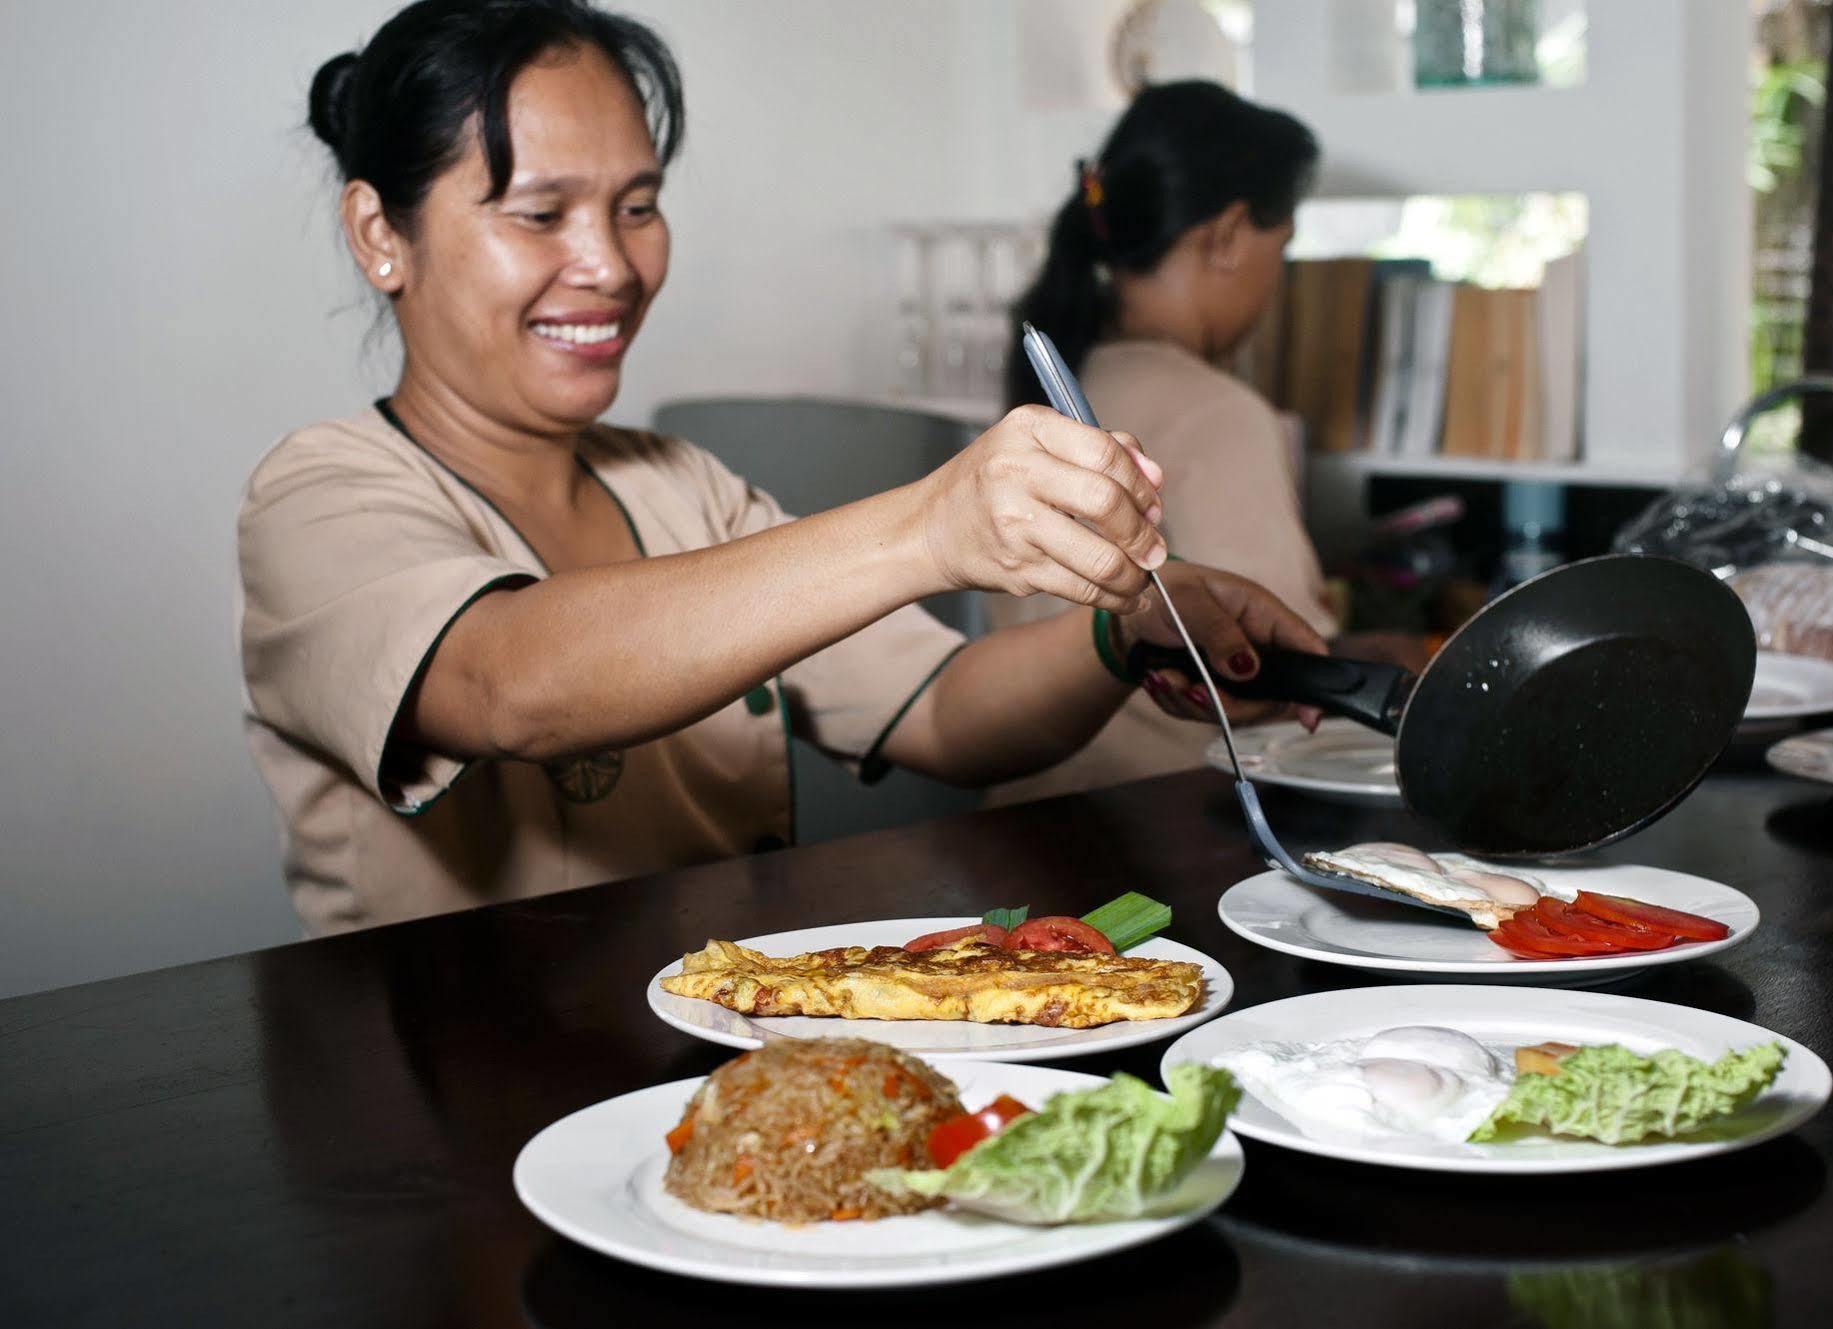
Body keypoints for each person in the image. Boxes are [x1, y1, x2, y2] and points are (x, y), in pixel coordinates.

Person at [237, 0, 1326, 934]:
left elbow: (942, 711)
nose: (610, 265)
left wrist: (1122, 630)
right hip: (446, 1113)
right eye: (540, 214)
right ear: (381, 233)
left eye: (637, 206)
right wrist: (930, 526)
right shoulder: (319, 497)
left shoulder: (683, 489)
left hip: (712, 1078)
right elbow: (505, 684)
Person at [988, 81, 1411, 804]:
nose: (1278, 281)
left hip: (1030, 810)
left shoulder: (1067, 383)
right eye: (1282, 249)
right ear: (1226, 235)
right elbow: (1276, 663)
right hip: (1165, 812)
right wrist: (1393, 658)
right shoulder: (1219, 411)